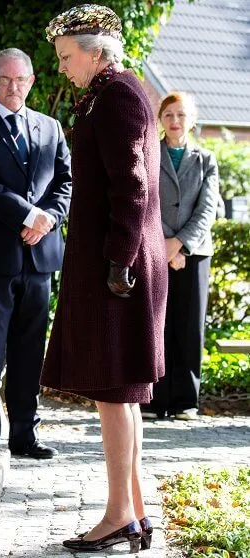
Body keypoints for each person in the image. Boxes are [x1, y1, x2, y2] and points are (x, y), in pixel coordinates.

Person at [40, 4, 167, 552]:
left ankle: (118, 515)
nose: (64, 68)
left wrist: (118, 261)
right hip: (121, 263)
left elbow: (132, 185)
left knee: (115, 392)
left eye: (68, 57)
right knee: (123, 393)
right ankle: (134, 511)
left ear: (95, 51)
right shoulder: (110, 91)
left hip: (122, 269)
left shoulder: (115, 95)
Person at [0, 48, 72, 460]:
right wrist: (27, 214)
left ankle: (26, 433)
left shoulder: (50, 128)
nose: (13, 87)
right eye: (5, 79)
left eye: (21, 80)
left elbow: (64, 183)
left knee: (29, 348)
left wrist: (49, 220)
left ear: (31, 81)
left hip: (40, 257)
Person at [141, 92, 220, 421]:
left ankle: (186, 400)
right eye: (169, 114)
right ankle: (154, 398)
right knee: (155, 323)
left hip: (194, 253)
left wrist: (180, 245)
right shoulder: (149, 154)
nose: (175, 121)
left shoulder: (206, 159)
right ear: (161, 118)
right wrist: (164, 244)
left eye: (181, 115)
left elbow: (208, 209)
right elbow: (144, 199)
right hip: (155, 248)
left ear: (192, 120)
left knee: (189, 325)